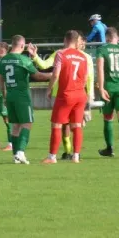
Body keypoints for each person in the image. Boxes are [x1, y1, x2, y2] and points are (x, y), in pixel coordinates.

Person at [0, 35, 51, 164]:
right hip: (22, 96)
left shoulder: (2, 61)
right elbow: (37, 76)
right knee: (27, 123)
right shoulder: (23, 60)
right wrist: (53, 75)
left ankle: (15, 155)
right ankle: (21, 152)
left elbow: (1, 81)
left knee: (16, 126)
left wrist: (5, 97)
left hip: (9, 96)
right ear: (22, 46)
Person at [42, 31, 89, 164]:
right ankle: (76, 156)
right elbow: (85, 77)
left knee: (56, 125)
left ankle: (52, 157)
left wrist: (49, 89)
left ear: (65, 39)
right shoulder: (83, 56)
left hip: (66, 94)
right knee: (77, 125)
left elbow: (56, 74)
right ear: (77, 40)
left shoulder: (61, 54)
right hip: (80, 94)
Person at [96, 27, 119, 158]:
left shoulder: (102, 49)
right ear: (117, 37)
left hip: (108, 88)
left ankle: (110, 148)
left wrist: (101, 87)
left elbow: (99, 69)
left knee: (108, 118)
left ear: (107, 37)